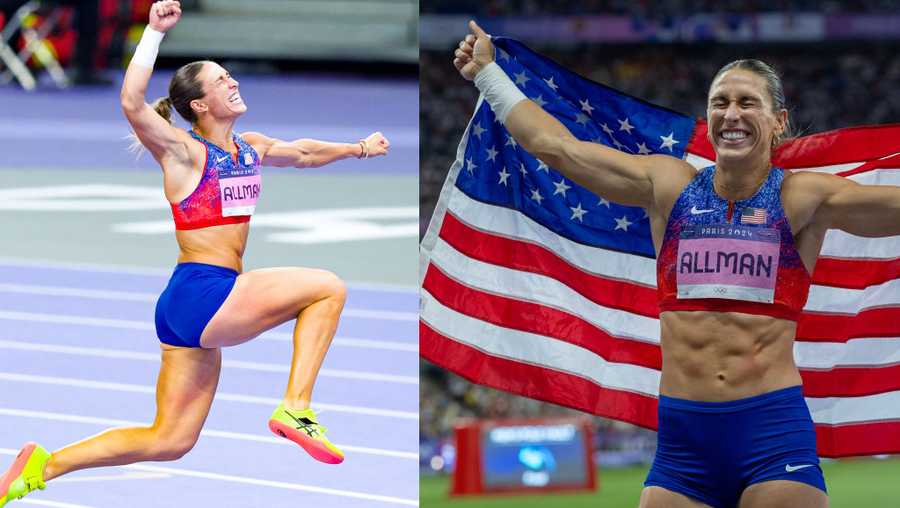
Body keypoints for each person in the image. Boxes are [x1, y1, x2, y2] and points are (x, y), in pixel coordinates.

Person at [452, 20, 900, 508]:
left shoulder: (802, 196)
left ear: (777, 122)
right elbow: (559, 149)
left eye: (748, 102)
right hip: (684, 441)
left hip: (773, 433)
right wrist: (489, 75)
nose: (732, 113)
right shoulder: (669, 187)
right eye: (720, 102)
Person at [0, 1, 390, 505]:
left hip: (187, 305)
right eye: (222, 80)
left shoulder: (250, 146)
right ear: (200, 105)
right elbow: (132, 103)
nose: (233, 82)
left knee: (170, 440)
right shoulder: (184, 153)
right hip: (205, 291)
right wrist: (154, 34)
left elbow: (306, 153)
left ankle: (41, 467)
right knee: (327, 288)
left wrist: (358, 148)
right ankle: (296, 406)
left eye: (232, 76)